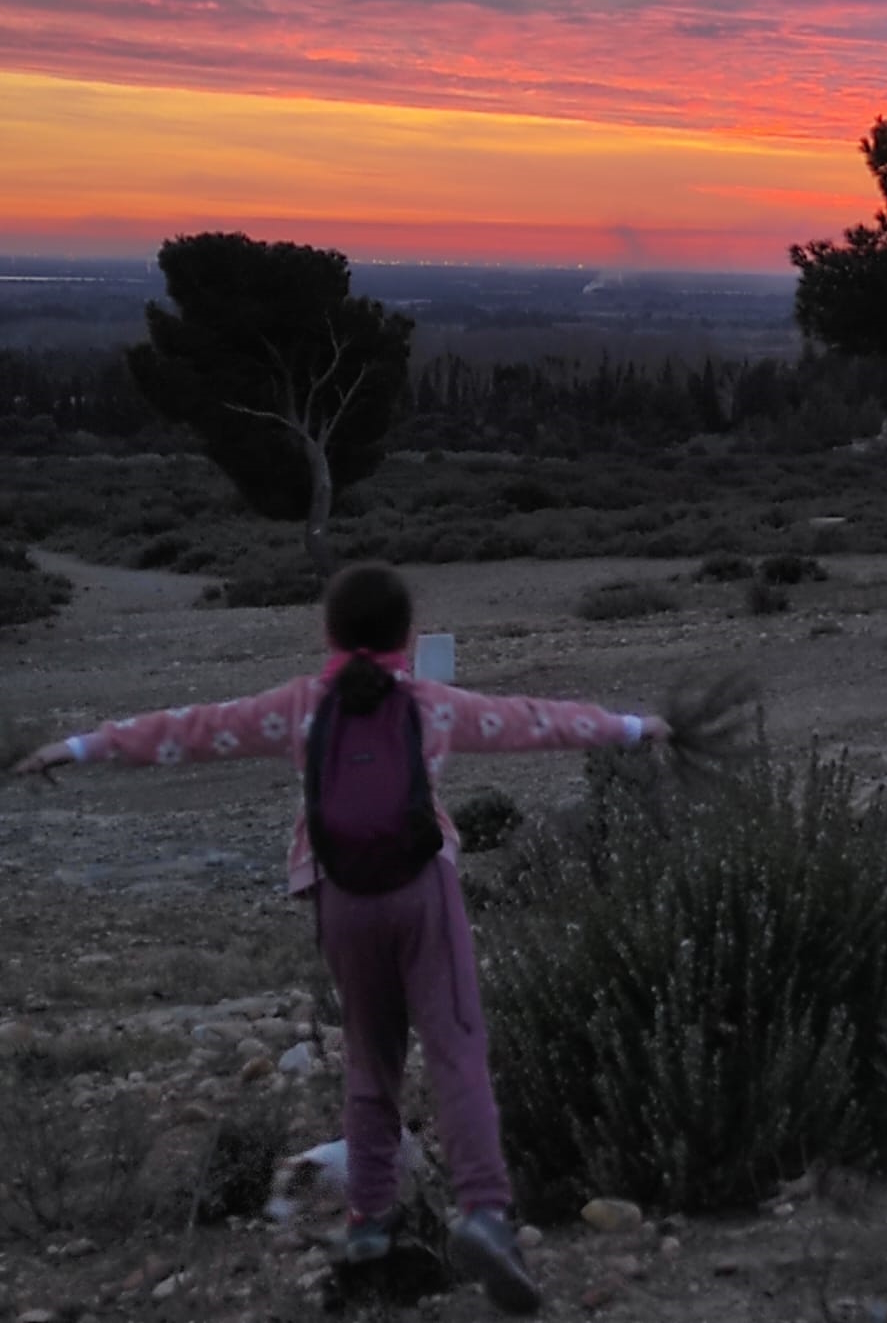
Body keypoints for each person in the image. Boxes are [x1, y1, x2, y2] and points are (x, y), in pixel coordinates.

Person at [10, 561, 672, 1316]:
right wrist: (629, 726)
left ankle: (368, 1223)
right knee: (456, 1048)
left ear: (329, 633)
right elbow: (531, 719)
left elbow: (192, 730)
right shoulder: (430, 706)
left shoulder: (297, 708)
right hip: (423, 888)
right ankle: (486, 1213)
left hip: (336, 895)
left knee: (370, 1058)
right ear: (408, 636)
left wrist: (82, 745)